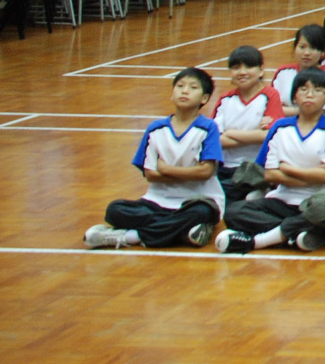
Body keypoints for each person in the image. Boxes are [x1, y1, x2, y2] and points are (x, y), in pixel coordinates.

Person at [84, 68, 225, 250]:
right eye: (180, 86)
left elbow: (205, 172)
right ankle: (182, 231)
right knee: (115, 210)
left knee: (202, 213)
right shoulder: (156, 128)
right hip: (158, 200)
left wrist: (166, 170)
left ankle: (129, 236)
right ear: (172, 93)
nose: (184, 91)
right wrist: (189, 173)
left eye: (193, 87)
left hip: (197, 200)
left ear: (204, 98)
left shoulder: (208, 128)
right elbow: (150, 174)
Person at [216, 68, 325, 254]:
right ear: (294, 97)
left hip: (321, 201)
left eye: (318, 90)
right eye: (303, 89)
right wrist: (314, 175)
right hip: (283, 200)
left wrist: (288, 169)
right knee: (234, 212)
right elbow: (270, 174)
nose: (309, 94)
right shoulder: (280, 127)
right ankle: (299, 234)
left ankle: (258, 241)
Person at [210, 45, 283, 202]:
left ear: (261, 70)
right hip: (226, 167)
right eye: (236, 67)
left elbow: (269, 136)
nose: (242, 72)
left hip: (256, 167)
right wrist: (254, 133)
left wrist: (230, 133)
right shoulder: (225, 99)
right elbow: (215, 139)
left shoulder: (270, 95)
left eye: (249, 67)